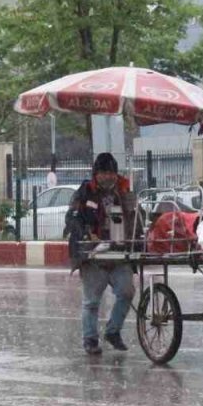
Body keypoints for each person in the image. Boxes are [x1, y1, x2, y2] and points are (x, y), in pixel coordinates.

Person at [65, 152, 137, 355]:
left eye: (112, 173)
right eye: (104, 173)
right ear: (96, 174)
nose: (108, 177)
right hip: (93, 255)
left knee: (127, 292)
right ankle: (90, 339)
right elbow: (72, 218)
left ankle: (113, 331)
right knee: (92, 301)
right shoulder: (84, 193)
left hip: (119, 252)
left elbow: (135, 220)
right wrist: (87, 234)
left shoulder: (124, 192)